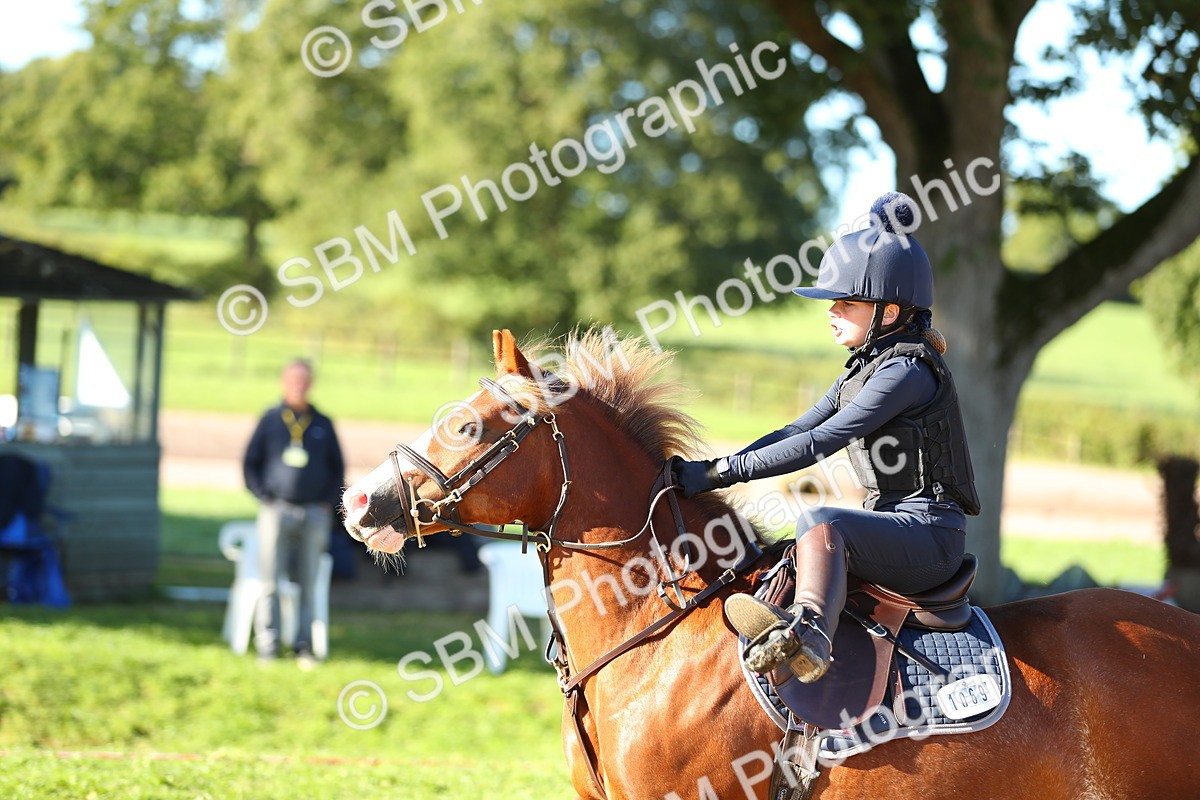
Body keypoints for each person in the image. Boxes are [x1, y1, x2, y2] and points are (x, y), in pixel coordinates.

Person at [671, 192, 980, 683]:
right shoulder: (865, 367)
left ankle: (811, 637)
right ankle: (769, 639)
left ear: (891, 311)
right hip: (893, 527)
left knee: (819, 522)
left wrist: (719, 475)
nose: (832, 310)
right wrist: (717, 466)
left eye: (847, 301)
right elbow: (798, 429)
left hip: (929, 539)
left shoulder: (907, 372)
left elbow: (823, 442)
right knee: (793, 552)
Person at [243, 359, 344, 667]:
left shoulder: (322, 423)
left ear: (311, 384)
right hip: (277, 511)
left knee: (308, 581)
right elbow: (250, 463)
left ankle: (303, 645)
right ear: (283, 382)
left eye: (304, 380)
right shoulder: (271, 419)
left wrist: (326, 502)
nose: (298, 385)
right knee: (271, 580)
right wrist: (265, 497)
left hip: (314, 513)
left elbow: (337, 469)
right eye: (293, 379)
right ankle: (268, 645)